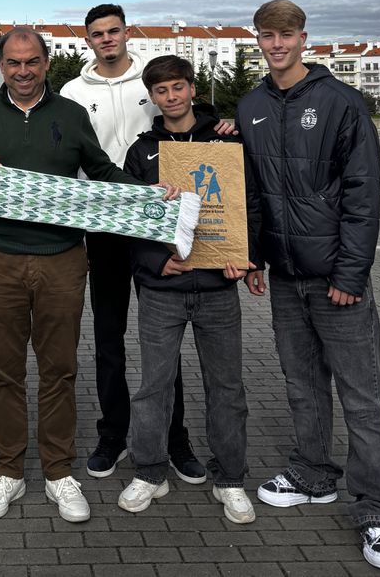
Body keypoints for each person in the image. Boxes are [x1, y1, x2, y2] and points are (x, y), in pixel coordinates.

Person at [0, 27, 179, 523]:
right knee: (3, 373)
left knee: (59, 371)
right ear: (1, 66)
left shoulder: (72, 115)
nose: (23, 71)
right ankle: (6, 471)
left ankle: (58, 472)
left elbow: (102, 172)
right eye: (13, 63)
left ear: (47, 63)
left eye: (32, 62)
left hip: (63, 259)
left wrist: (148, 192)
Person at [238, 0, 380, 571]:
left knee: (362, 397)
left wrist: (351, 274)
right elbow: (255, 194)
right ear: (257, 39)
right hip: (286, 278)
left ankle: (378, 511)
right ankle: (312, 475)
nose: (276, 44)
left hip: (338, 281)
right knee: (303, 385)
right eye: (267, 35)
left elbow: (363, 197)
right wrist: (255, 257)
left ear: (304, 38)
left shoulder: (342, 103)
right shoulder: (253, 103)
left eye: (286, 35)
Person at [60, 3, 205, 482]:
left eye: (114, 31)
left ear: (126, 33)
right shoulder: (73, 91)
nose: (107, 39)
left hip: (156, 226)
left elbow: (188, 119)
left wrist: (221, 124)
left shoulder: (152, 82)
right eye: (97, 34)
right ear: (88, 40)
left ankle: (175, 437)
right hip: (103, 225)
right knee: (109, 338)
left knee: (165, 337)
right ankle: (113, 434)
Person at [118, 55, 260, 523]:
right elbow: (130, 220)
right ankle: (150, 472)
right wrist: (156, 261)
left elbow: (248, 203)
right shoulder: (143, 151)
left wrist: (248, 255)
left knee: (226, 388)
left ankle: (232, 479)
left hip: (219, 287)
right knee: (153, 388)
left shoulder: (226, 138)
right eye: (161, 91)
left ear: (192, 89)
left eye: (178, 87)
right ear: (152, 97)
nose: (171, 97)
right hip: (163, 290)